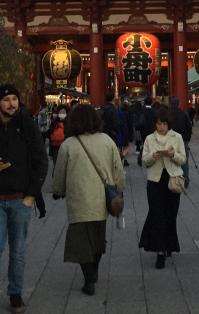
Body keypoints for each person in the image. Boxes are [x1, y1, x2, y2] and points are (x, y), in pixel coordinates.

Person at [0, 84, 48, 314]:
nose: (11, 103)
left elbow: (40, 161)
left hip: (20, 198)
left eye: (14, 99)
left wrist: (31, 195)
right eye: (6, 100)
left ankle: (15, 294)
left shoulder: (27, 127)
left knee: (18, 251)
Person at [52, 105, 125, 296]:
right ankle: (94, 270)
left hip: (78, 200)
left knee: (81, 241)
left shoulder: (68, 145)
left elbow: (59, 173)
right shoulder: (107, 141)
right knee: (98, 238)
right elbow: (118, 169)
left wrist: (58, 190)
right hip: (101, 199)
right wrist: (119, 189)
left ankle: (89, 278)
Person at [139, 107, 186, 268]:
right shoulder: (149, 139)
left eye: (164, 124)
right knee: (157, 214)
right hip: (155, 180)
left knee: (170, 215)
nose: (161, 127)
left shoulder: (177, 137)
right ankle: (160, 251)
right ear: (155, 124)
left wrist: (173, 155)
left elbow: (183, 160)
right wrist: (154, 155)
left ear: (169, 124)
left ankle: (169, 245)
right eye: (159, 124)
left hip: (172, 179)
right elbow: (144, 160)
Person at [168, 97, 193, 188]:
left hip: (170, 141)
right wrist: (187, 139)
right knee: (184, 160)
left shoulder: (167, 114)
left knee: (171, 159)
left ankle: (173, 178)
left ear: (170, 104)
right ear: (178, 104)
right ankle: (185, 179)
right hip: (183, 140)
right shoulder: (184, 114)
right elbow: (189, 127)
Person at [47, 105, 68, 170]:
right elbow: (48, 133)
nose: (62, 114)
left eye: (64, 112)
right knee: (56, 166)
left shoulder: (69, 122)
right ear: (58, 113)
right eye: (61, 112)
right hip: (55, 148)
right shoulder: (54, 122)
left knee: (64, 166)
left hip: (65, 148)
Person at [137, 96, 156, 166]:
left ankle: (141, 155)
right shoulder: (153, 111)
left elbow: (140, 120)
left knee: (145, 143)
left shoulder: (142, 110)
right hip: (151, 130)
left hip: (143, 130)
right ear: (151, 102)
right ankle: (148, 161)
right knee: (150, 145)